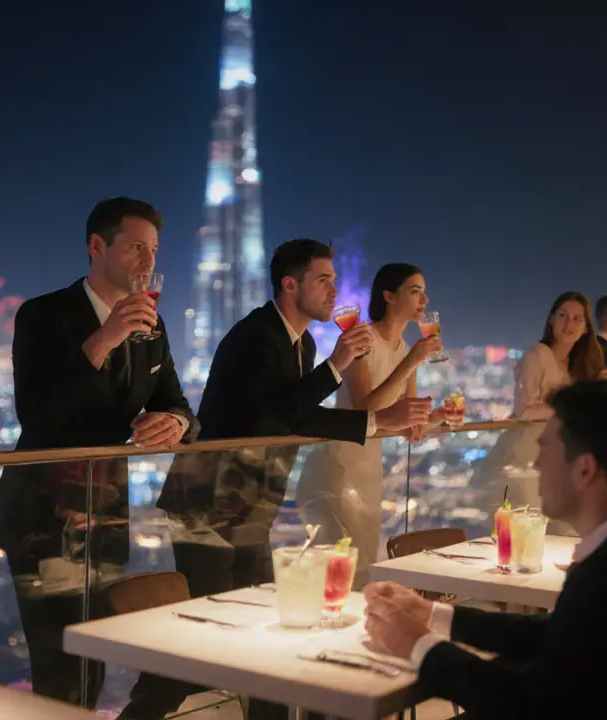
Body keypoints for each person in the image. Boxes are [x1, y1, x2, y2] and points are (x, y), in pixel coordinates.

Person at [155, 239, 430, 720]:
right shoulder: (258, 336)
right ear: (290, 284)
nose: (333, 290)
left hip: (249, 502)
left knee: (266, 627)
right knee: (204, 635)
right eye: (323, 280)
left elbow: (301, 416)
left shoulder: (298, 340)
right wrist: (337, 366)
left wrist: (378, 424)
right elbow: (273, 417)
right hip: (210, 502)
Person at [363, 381, 607, 719]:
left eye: (545, 450)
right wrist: (433, 615)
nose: (534, 463)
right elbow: (560, 635)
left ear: (584, 470)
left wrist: (417, 645)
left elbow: (533, 705)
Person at [0, 197, 195, 711]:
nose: (147, 262)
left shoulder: (155, 327)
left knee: (96, 667)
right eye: (135, 248)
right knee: (60, 672)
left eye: (154, 250)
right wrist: (105, 338)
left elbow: (179, 404)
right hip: (41, 513)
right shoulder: (44, 315)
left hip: (104, 512)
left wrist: (176, 422)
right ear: (96, 247)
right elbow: (38, 416)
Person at [296, 263, 446, 588]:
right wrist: (412, 362)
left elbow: (401, 417)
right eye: (415, 291)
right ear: (389, 296)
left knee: (362, 568)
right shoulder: (363, 339)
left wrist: (432, 419)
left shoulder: (406, 349)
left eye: (424, 292)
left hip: (368, 472)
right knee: (340, 567)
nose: (424, 299)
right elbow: (367, 408)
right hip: (336, 470)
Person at [513, 291, 607, 421]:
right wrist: (572, 408)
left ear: (585, 328)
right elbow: (523, 411)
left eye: (577, 319)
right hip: (530, 439)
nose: (569, 323)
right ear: (552, 319)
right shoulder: (536, 357)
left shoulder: (578, 364)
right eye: (563, 315)